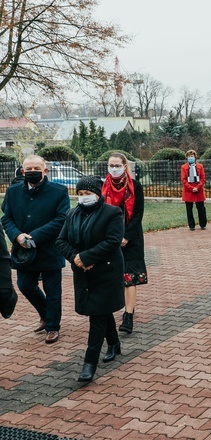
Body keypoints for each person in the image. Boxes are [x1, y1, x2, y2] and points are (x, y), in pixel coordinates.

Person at [56, 176, 125, 382]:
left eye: (88, 194)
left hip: (106, 270)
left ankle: (89, 363)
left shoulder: (112, 213)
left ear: (98, 193)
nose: (84, 197)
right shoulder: (71, 214)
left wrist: (86, 257)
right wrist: (76, 258)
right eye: (80, 194)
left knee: (97, 316)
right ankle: (114, 343)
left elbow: (112, 241)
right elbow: (61, 240)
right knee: (100, 310)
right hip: (83, 272)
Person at [1, 155, 69, 343]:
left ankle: (53, 327)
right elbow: (6, 218)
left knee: (53, 290)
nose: (32, 172)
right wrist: (17, 235)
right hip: (23, 250)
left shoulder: (59, 191)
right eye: (28, 169)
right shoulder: (13, 191)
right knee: (25, 285)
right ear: (22, 171)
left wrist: (34, 236)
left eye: (36, 168)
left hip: (49, 249)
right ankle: (46, 314)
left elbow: (61, 219)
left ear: (45, 170)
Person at [101, 152, 146, 334]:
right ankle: (116, 309)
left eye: (117, 165)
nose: (114, 168)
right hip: (109, 239)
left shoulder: (135, 186)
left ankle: (128, 315)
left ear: (124, 166)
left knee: (130, 278)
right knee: (113, 277)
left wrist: (126, 236)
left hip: (131, 238)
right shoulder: (102, 187)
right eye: (111, 165)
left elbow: (138, 213)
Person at [181, 150, 207, 231]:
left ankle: (203, 224)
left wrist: (197, 187)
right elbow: (183, 179)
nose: (190, 158)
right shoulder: (184, 167)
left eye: (192, 156)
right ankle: (191, 225)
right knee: (189, 209)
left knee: (201, 208)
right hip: (188, 190)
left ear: (195, 157)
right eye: (189, 157)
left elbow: (203, 178)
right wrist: (191, 188)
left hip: (198, 189)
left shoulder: (200, 166)